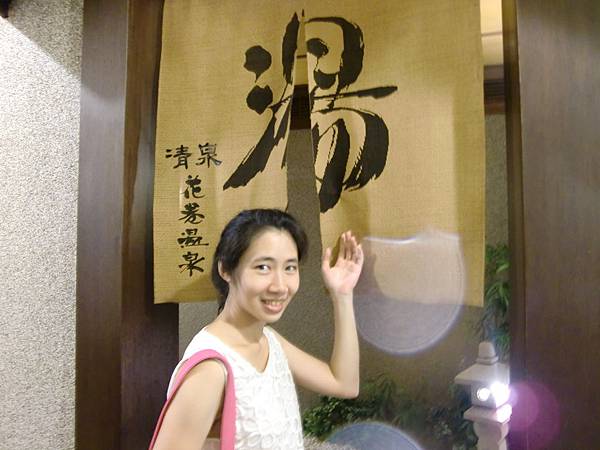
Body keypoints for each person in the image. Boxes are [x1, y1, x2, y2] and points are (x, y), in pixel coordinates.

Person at [152, 208, 363, 450]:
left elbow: (344, 383)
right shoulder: (211, 369)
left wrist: (342, 295)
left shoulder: (269, 341)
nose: (280, 286)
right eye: (263, 267)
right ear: (225, 269)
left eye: (290, 268)